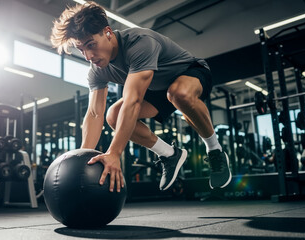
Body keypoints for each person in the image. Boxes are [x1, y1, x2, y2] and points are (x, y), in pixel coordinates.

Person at [50, 1, 231, 192]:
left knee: (178, 93)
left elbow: (133, 101)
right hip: (157, 89)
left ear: (108, 32)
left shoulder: (139, 43)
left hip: (190, 73)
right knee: (113, 115)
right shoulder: (96, 71)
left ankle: (215, 150)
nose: (88, 56)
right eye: (82, 49)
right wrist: (82, 159)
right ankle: (169, 154)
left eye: (91, 45)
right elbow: (95, 114)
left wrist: (114, 153)